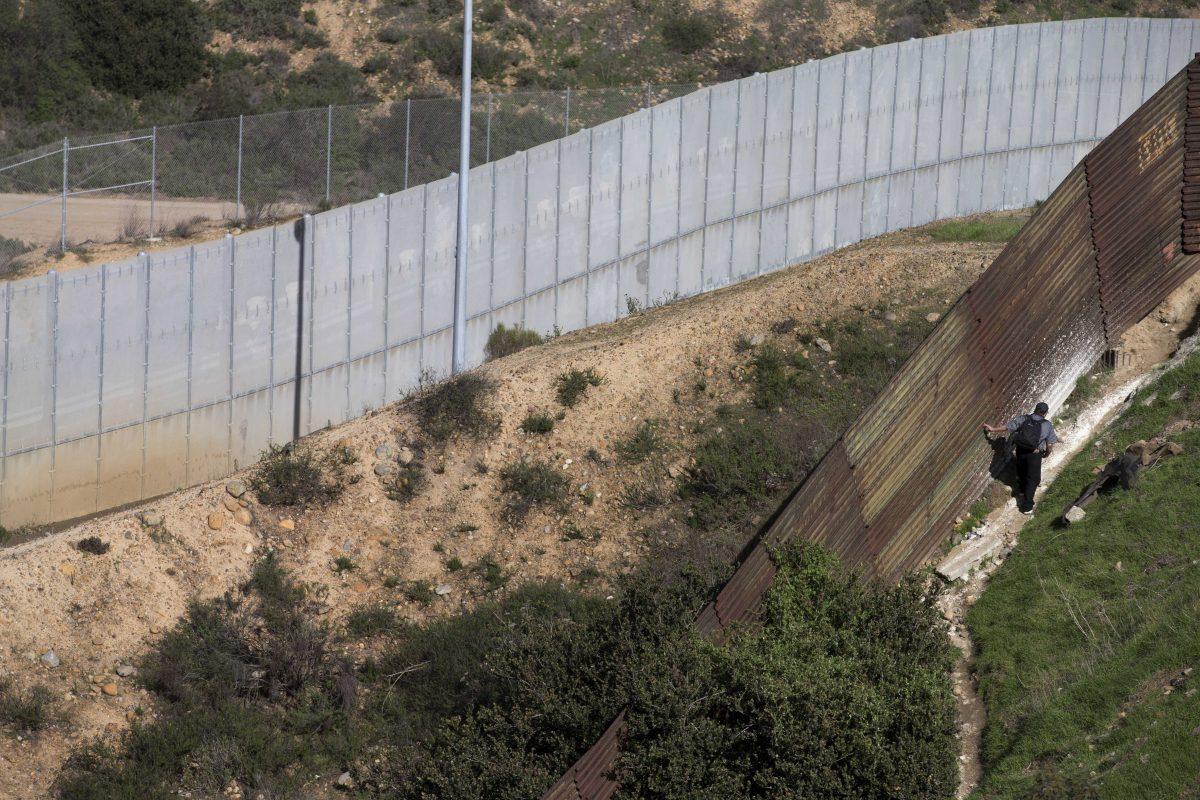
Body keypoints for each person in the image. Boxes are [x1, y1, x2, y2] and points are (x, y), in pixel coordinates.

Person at [982, 402, 1057, 514]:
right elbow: (1050, 444)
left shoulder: (1024, 418)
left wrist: (993, 429)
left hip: (1021, 450)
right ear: (1045, 413)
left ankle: (1022, 491)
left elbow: (1008, 427)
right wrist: (1047, 454)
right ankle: (1027, 506)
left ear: (1035, 409)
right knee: (1034, 479)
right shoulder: (1047, 425)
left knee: (1022, 471)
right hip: (1034, 454)